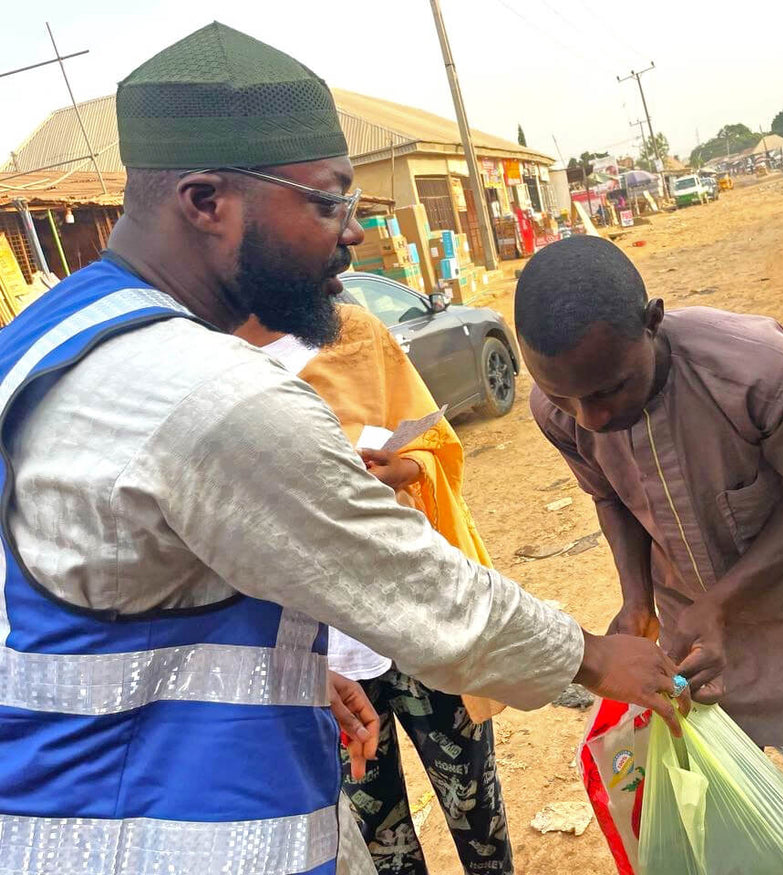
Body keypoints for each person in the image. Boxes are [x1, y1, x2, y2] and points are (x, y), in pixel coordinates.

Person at [0, 24, 689, 875]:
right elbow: (415, 588)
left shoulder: (46, 342)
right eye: (329, 202)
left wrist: (284, 670)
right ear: (207, 202)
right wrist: (594, 656)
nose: (355, 232)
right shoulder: (212, 396)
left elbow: (90, 598)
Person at [514, 237, 783, 875]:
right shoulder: (561, 409)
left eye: (609, 389)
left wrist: (720, 601)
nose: (591, 417)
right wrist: (637, 601)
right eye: (564, 398)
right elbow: (609, 496)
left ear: (652, 322)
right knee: (732, 842)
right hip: (694, 647)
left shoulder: (759, 369)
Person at [236, 304, 514, 875]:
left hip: (417, 620)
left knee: (475, 810)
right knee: (378, 834)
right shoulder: (210, 364)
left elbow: (433, 441)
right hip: (319, 654)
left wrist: (402, 470)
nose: (341, 258)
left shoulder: (354, 332)